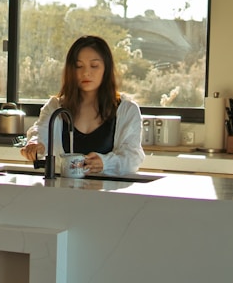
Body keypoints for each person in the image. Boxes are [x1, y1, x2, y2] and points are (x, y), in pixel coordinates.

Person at [20, 34, 145, 176]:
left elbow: (132, 157)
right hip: (62, 188)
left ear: (106, 69)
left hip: (108, 189)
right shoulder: (55, 107)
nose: (86, 73)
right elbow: (40, 132)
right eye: (79, 66)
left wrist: (105, 163)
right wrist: (35, 145)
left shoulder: (127, 109)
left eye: (94, 66)